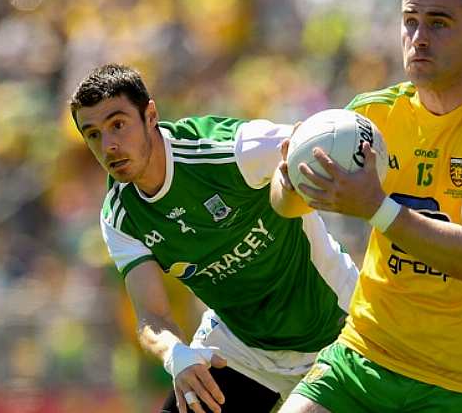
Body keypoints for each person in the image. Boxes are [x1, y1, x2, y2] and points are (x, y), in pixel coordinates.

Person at [272, 0, 462, 412]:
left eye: (438, 24)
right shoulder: (367, 116)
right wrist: (288, 178)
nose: (418, 37)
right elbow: (287, 205)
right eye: (410, 21)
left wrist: (376, 208)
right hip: (365, 353)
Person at [70, 64, 359, 413]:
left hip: (336, 331)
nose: (109, 145)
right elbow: (152, 317)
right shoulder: (119, 217)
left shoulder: (230, 151)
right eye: (93, 134)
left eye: (118, 125)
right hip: (241, 348)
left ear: (150, 115)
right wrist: (176, 355)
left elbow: (312, 140)